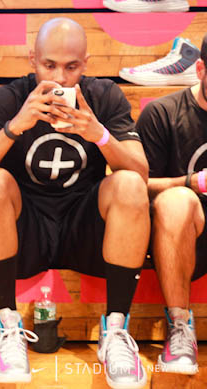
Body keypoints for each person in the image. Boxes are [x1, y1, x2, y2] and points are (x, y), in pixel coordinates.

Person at [0, 18, 150, 387]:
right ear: (32, 59)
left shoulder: (105, 96)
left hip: (84, 226)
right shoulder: (9, 98)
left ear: (86, 63)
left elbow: (140, 172)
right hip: (26, 230)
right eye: (49, 65)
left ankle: (115, 331)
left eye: (71, 67)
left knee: (127, 184)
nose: (60, 78)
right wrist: (15, 126)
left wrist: (99, 135)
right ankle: (8, 327)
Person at [136, 35, 207, 375]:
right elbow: (137, 186)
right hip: (181, 232)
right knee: (178, 201)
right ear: (200, 69)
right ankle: (180, 327)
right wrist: (192, 183)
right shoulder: (163, 113)